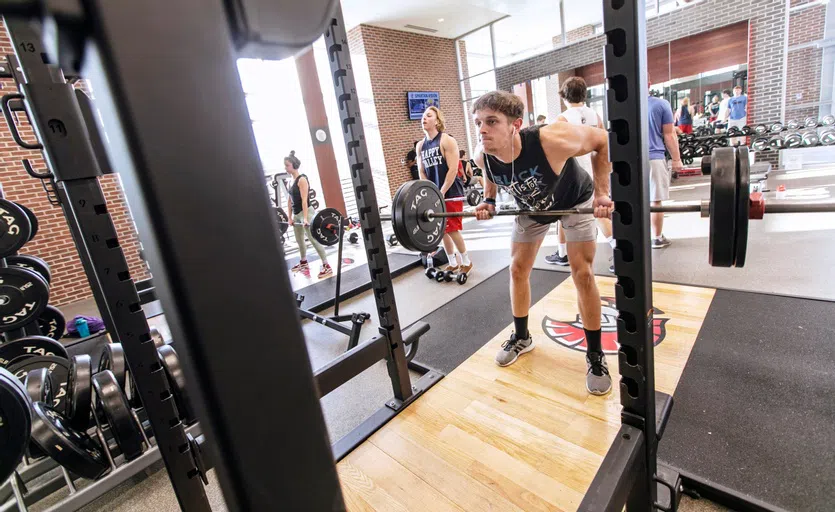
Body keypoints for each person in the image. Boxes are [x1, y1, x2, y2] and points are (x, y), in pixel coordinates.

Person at [471, 90, 614, 396]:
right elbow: (490, 174)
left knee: (583, 274)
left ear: (515, 124)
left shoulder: (551, 139)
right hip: (533, 208)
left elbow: (602, 140)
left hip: (574, 201)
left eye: (492, 121)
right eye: (479, 122)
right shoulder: (482, 154)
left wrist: (602, 192)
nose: (482, 129)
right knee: (517, 269)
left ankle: (594, 354)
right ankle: (522, 337)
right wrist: (488, 200)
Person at [544, 77, 617, 274]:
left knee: (576, 213)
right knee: (596, 212)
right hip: (594, 170)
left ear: (563, 95)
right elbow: (603, 144)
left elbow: (557, 152)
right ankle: (562, 254)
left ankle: (617, 249)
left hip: (575, 173)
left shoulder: (563, 119)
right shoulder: (595, 115)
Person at [416, 107, 473, 275]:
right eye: (423, 116)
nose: (424, 118)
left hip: (451, 192)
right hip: (435, 194)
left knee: (452, 228)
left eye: (429, 116)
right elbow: (421, 172)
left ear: (437, 121)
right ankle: (452, 262)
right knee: (440, 230)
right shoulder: (420, 146)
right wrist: (431, 193)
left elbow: (453, 169)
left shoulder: (446, 140)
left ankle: (467, 261)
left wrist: (441, 191)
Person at [285, 151, 332, 278]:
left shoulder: (302, 180)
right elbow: (290, 201)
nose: (285, 168)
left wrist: (305, 218)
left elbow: (304, 200)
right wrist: (289, 217)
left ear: (294, 165)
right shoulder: (290, 181)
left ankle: (326, 265)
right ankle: (304, 262)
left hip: (307, 213)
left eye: (287, 165)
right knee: (299, 240)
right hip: (296, 214)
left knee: (314, 240)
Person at [647, 85, 683, 248]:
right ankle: (656, 237)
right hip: (654, 157)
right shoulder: (660, 104)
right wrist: (676, 159)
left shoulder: (626, 106)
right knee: (655, 200)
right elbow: (669, 134)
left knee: (634, 201)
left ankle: (637, 237)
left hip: (630, 162)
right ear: (649, 84)